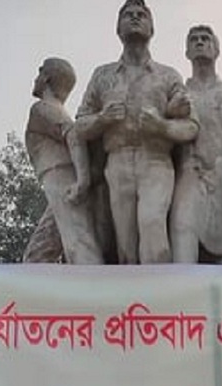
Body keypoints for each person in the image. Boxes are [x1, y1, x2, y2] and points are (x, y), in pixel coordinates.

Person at [75, 0, 198, 265]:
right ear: (117, 28)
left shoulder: (167, 75)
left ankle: (160, 296)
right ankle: (131, 300)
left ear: (152, 28)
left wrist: (161, 126)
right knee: (126, 240)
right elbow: (80, 126)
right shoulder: (102, 75)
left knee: (152, 223)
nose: (135, 18)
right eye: (128, 15)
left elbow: (191, 126)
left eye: (141, 15)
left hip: (155, 160)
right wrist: (102, 119)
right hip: (117, 160)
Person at [168, 25, 222, 265]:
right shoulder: (175, 95)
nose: (200, 42)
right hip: (189, 178)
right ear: (186, 51)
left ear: (217, 49)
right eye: (194, 39)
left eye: (206, 39)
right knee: (183, 241)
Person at [25, 57, 104, 265]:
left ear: (47, 78)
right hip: (58, 179)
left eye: (40, 72)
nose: (36, 78)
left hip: (62, 178)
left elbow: (73, 134)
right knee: (37, 254)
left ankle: (96, 291)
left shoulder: (42, 108)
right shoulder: (54, 110)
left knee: (78, 242)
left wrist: (82, 180)